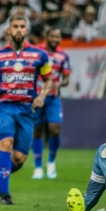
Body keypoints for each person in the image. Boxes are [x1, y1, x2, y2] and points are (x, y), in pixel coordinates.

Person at [0, 15, 52, 205]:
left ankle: (0, 173)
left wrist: (42, 96)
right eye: (15, 26)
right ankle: (5, 195)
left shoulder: (40, 55)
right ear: (9, 31)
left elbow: (49, 80)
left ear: (26, 30)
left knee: (20, 159)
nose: (19, 30)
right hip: (4, 106)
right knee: (6, 143)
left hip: (27, 109)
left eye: (22, 26)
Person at [30, 28, 71, 180]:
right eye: (52, 36)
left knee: (54, 129)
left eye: (57, 36)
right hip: (37, 97)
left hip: (53, 97)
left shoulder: (63, 55)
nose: (55, 39)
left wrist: (59, 84)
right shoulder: (37, 52)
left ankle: (51, 162)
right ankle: (38, 167)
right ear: (46, 37)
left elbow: (66, 78)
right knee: (37, 131)